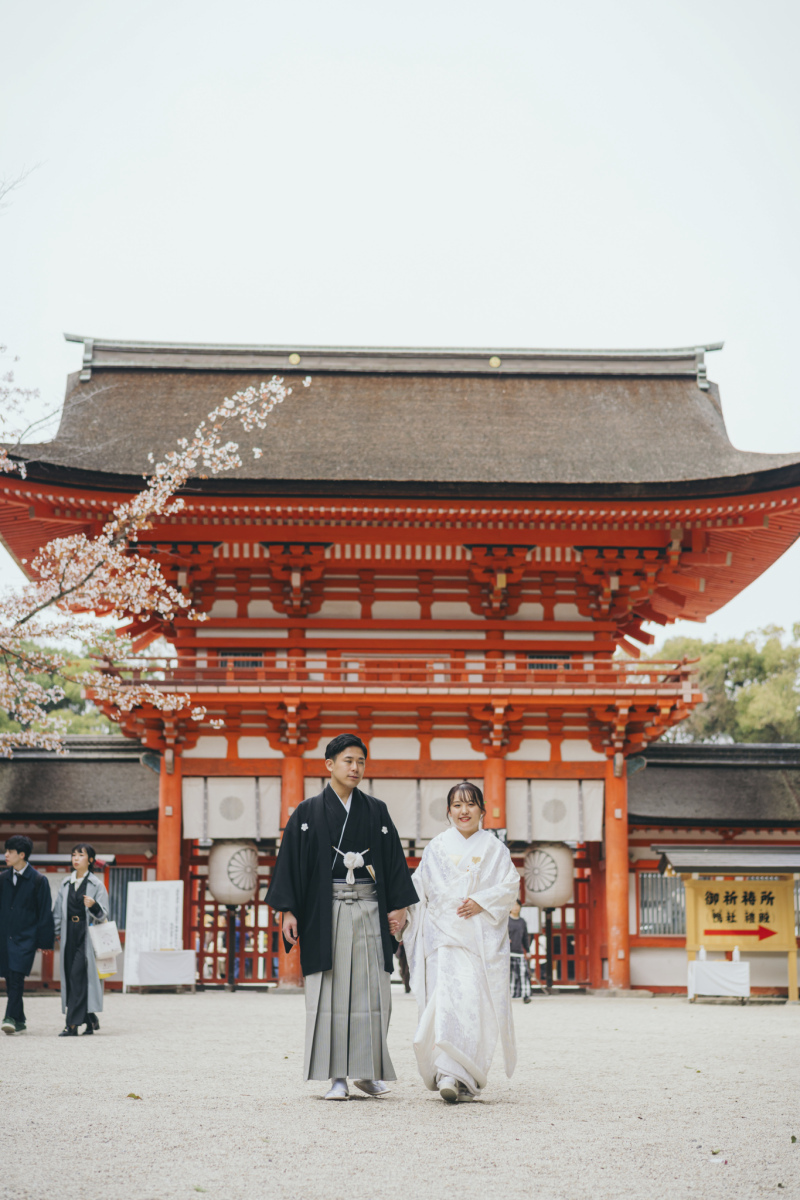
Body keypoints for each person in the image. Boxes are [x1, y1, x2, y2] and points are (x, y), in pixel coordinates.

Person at [266, 733, 418, 1100]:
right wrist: (287, 910)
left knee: (372, 990)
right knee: (329, 991)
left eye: (361, 762)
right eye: (348, 761)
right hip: (326, 908)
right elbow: (289, 865)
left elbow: (395, 862)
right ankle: (336, 1076)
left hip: (368, 907)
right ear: (329, 765)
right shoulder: (306, 812)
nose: (355, 768)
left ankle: (367, 1071)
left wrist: (399, 906)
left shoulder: (376, 810)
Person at [400, 781, 520, 1102]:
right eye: (456, 805)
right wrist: (400, 911)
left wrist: (482, 900)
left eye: (470, 804)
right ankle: (447, 1073)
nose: (463, 811)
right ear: (448, 811)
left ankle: (463, 1075)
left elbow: (510, 885)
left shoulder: (494, 849)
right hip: (441, 938)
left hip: (477, 942)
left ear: (482, 809)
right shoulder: (436, 847)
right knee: (443, 1005)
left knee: (471, 1005)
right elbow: (418, 888)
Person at [52, 843, 110, 1037]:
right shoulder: (66, 884)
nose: (76, 858)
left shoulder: (96, 885)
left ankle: (72, 1024)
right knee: (72, 976)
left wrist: (93, 906)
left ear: (90, 860)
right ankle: (90, 1019)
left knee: (77, 975)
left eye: (81, 855)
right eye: (73, 855)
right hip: (69, 935)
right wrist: (55, 933)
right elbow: (58, 912)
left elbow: (104, 915)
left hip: (87, 936)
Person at [1, 835, 56, 1035]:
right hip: (5, 937)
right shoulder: (2, 878)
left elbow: (44, 913)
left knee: (16, 977)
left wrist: (45, 942)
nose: (5, 855)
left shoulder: (39, 880)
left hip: (26, 938)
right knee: (10, 977)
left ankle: (8, 1017)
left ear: (21, 855)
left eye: (10, 852)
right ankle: (20, 1019)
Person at [508, 900, 533, 1004]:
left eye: (517, 905)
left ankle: (526, 995)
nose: (515, 907)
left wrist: (527, 950)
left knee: (523, 973)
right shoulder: (506, 920)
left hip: (519, 951)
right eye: (513, 905)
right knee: (509, 975)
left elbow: (525, 937)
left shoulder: (522, 922)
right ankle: (510, 994)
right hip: (508, 952)